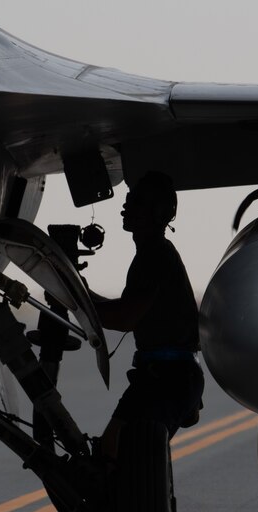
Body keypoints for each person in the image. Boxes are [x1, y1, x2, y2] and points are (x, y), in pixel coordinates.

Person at [90, 171, 204, 459]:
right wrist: (80, 294)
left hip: (167, 379)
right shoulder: (154, 254)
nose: (125, 208)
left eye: (136, 202)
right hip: (164, 377)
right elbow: (129, 308)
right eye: (128, 200)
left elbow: (124, 318)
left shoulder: (154, 257)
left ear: (159, 212)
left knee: (124, 458)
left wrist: (77, 302)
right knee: (120, 456)